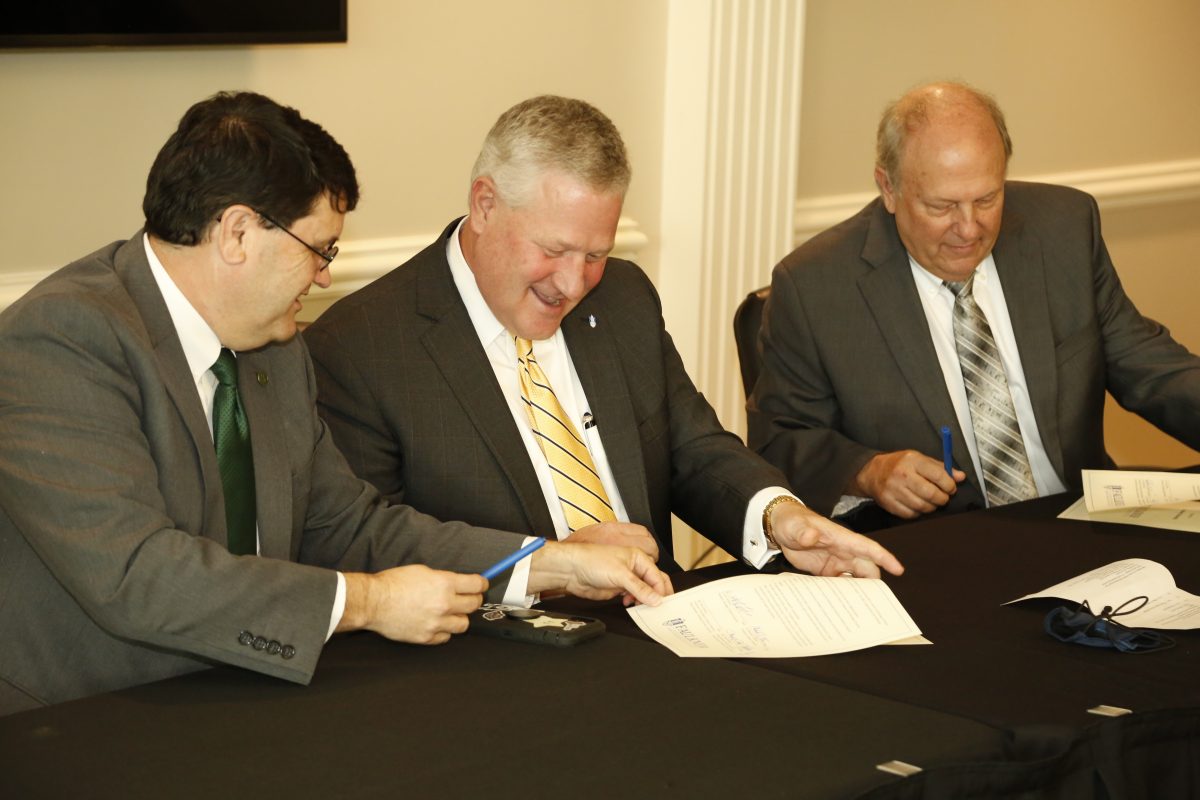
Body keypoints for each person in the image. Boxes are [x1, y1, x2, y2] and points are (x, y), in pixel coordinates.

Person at [0, 91, 670, 716]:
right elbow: (138, 576)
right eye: (318, 250)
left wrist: (549, 561)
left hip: (248, 694)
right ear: (237, 234)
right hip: (87, 717)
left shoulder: (272, 346)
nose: (324, 274)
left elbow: (349, 524)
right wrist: (368, 602)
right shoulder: (63, 340)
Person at [304, 95, 903, 584]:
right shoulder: (362, 347)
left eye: (596, 254)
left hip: (660, 625)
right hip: (496, 655)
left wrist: (778, 516)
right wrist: (547, 563)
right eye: (554, 249)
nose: (572, 283)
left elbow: (692, 449)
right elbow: (369, 547)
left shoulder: (622, 297)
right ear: (484, 205)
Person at [749, 81, 1200, 528]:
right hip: (936, 548)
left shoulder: (1063, 228)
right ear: (888, 188)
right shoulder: (816, 286)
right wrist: (867, 471)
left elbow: (1152, 368)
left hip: (1078, 523)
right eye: (942, 206)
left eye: (987, 199)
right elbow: (779, 438)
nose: (969, 229)